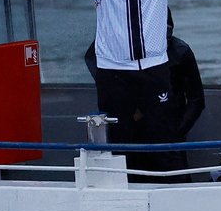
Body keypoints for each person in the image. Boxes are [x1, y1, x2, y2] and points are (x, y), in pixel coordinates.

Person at [26, 0, 214, 183]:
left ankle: (171, 193)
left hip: (154, 67)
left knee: (162, 137)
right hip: (114, 72)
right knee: (120, 142)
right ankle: (122, 198)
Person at [83, 9, 205, 141]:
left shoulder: (180, 52)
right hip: (128, 127)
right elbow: (92, 57)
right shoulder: (114, 47)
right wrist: (111, 83)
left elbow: (196, 99)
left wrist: (177, 132)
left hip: (166, 126)